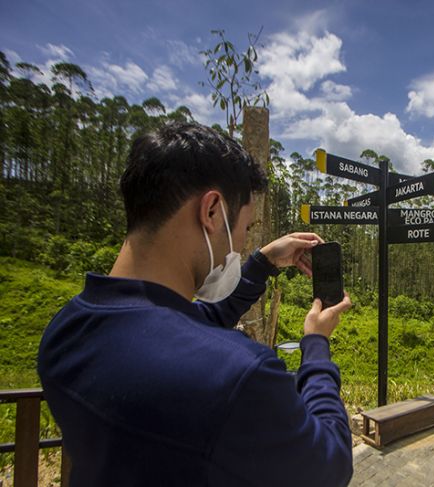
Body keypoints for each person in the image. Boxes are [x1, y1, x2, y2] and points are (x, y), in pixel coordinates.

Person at [37, 122, 353, 486]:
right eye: (245, 230)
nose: (239, 246)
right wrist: (316, 346)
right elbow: (330, 465)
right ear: (212, 211)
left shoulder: (65, 331)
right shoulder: (238, 376)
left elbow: (185, 327)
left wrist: (262, 263)